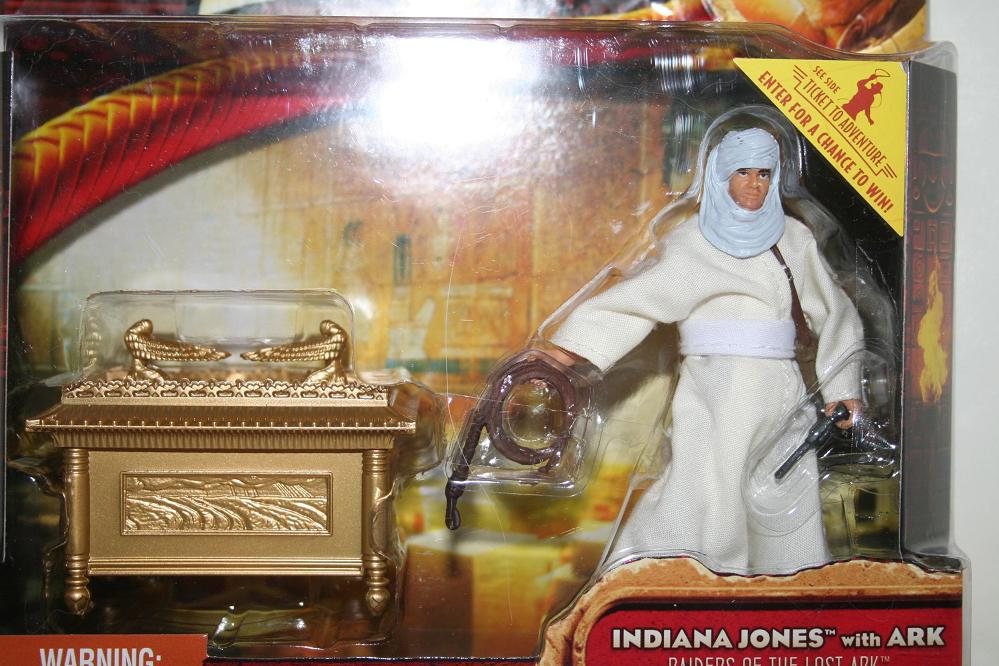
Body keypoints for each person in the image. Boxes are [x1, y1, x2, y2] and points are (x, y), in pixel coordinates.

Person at [546, 127, 864, 573]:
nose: (754, 184)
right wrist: (568, 351)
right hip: (716, 383)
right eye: (743, 172)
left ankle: (792, 578)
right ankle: (666, 570)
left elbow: (833, 310)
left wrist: (842, 387)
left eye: (764, 174)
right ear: (720, 175)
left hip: (781, 386)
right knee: (704, 482)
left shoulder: (794, 239)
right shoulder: (694, 241)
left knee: (786, 484)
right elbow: (642, 300)